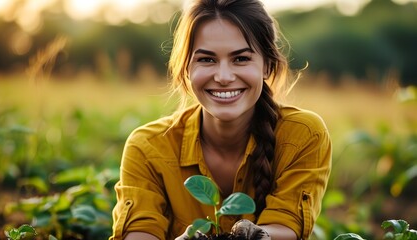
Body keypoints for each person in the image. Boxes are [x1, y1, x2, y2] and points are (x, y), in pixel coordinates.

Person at [110, 0, 332, 239]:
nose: (224, 77)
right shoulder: (147, 147)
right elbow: (139, 232)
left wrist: (258, 235)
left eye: (241, 59)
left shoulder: (302, 135)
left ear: (267, 66)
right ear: (186, 69)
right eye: (207, 59)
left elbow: (288, 224)